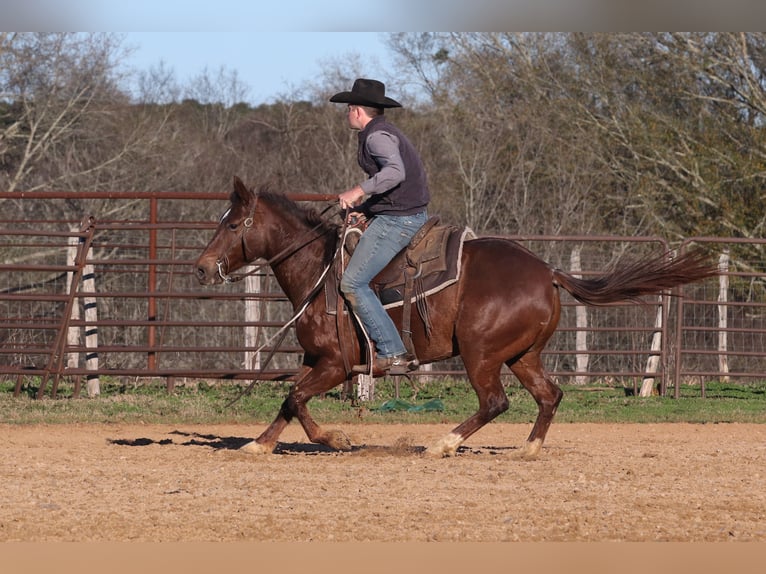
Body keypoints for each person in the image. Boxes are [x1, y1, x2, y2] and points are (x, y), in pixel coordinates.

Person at [330, 78, 430, 375]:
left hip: (399, 220)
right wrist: (365, 210)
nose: (347, 113)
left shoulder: (376, 137)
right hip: (399, 212)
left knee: (352, 283)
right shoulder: (382, 132)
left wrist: (357, 191)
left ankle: (393, 353)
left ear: (357, 110)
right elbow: (394, 187)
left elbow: (395, 173)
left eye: (349, 108)